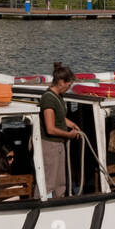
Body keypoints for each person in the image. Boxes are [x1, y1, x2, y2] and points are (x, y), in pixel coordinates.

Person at [40, 62, 80, 198]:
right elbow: (50, 128)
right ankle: (39, 204)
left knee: (60, 182)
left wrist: (72, 124)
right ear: (61, 82)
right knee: (49, 182)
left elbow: (60, 117)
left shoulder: (59, 97)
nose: (69, 88)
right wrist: (69, 135)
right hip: (50, 145)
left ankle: (60, 203)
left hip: (58, 144)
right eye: (69, 85)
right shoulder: (48, 99)